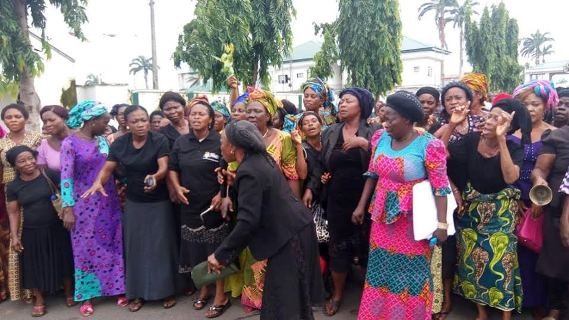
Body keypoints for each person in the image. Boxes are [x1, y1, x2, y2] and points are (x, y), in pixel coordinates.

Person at [207, 120, 324, 320]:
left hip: (289, 237)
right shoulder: (260, 159)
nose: (220, 147)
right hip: (296, 229)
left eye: (222, 142)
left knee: (285, 303)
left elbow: (248, 222)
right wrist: (236, 186)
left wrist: (220, 255)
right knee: (293, 300)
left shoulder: (249, 171)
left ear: (234, 147)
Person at [353, 91, 450, 319]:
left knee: (410, 275)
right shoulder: (380, 138)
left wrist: (442, 223)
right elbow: (372, 173)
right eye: (383, 117)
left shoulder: (429, 145)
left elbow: (441, 187)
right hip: (382, 219)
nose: (385, 123)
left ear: (407, 119)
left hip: (412, 223)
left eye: (390, 119)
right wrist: (360, 206)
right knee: (380, 272)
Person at [82, 105, 178, 312]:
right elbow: (107, 168)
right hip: (134, 203)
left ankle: (166, 291)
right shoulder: (120, 144)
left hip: (158, 202)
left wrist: (155, 177)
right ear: (126, 123)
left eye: (144, 120)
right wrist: (98, 182)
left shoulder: (158, 140)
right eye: (136, 121)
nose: (141, 124)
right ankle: (138, 294)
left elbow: (163, 167)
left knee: (161, 247)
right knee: (136, 249)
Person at [443, 98, 530, 320]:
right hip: (472, 210)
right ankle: (481, 311)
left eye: (496, 118)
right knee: (472, 260)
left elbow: (511, 177)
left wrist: (501, 139)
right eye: (489, 115)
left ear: (510, 125)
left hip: (501, 212)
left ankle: (505, 314)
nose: (488, 120)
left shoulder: (513, 146)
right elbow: (440, 154)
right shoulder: (472, 140)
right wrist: (452, 125)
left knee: (503, 261)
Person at [60, 100, 126, 316]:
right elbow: (66, 177)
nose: (107, 126)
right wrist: (68, 207)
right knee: (84, 249)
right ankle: (87, 295)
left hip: (109, 202)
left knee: (113, 244)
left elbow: (112, 168)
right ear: (91, 121)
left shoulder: (104, 142)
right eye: (105, 122)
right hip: (83, 205)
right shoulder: (69, 143)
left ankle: (117, 289)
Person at [168, 101, 230, 318]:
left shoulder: (220, 140)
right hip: (189, 205)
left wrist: (221, 193)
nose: (195, 117)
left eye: (201, 114)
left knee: (216, 250)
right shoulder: (181, 142)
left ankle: (220, 294)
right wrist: (176, 186)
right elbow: (172, 168)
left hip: (212, 205)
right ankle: (203, 288)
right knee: (196, 250)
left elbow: (228, 169)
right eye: (192, 114)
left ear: (210, 119)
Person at [320, 87, 379, 316]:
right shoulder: (331, 131)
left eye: (348, 101)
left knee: (367, 246)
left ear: (361, 106)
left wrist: (364, 144)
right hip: (336, 198)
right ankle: (337, 294)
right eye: (341, 101)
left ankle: (371, 296)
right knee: (338, 247)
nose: (342, 105)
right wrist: (322, 178)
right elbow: (320, 161)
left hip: (368, 197)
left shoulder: (374, 131)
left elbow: (386, 159)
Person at [6, 146, 74, 317]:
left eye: (30, 158)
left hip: (57, 227)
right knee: (34, 266)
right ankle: (39, 300)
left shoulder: (48, 174)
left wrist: (67, 210)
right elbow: (13, 212)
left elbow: (67, 192)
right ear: (15, 165)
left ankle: (69, 293)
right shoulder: (14, 186)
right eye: (22, 161)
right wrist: (14, 236)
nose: (28, 163)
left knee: (63, 259)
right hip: (32, 231)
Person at [511, 80, 558, 316]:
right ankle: (517, 299)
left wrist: (539, 200)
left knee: (537, 250)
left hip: (542, 199)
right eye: (525, 104)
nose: (530, 109)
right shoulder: (510, 134)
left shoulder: (554, 134)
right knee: (515, 252)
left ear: (546, 106)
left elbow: (556, 172)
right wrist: (515, 197)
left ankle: (539, 301)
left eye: (535, 104)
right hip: (512, 199)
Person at [530, 94, 569, 320]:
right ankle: (554, 310)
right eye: (560, 103)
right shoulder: (556, 137)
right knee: (557, 264)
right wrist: (539, 181)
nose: (562, 107)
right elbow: (540, 169)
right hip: (557, 210)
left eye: (567, 105)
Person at [0, 103, 41, 302]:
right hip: (11, 193)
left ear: (25, 118)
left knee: (37, 237)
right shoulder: (1, 143)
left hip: (35, 191)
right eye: (9, 117)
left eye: (17, 116)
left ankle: (44, 284)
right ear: (4, 121)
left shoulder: (36, 138)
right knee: (17, 239)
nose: (13, 120)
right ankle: (24, 290)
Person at [37, 105, 71, 172]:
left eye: (52, 120)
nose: (48, 124)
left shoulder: (81, 138)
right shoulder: (43, 145)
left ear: (64, 119)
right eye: (45, 122)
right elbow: (44, 175)